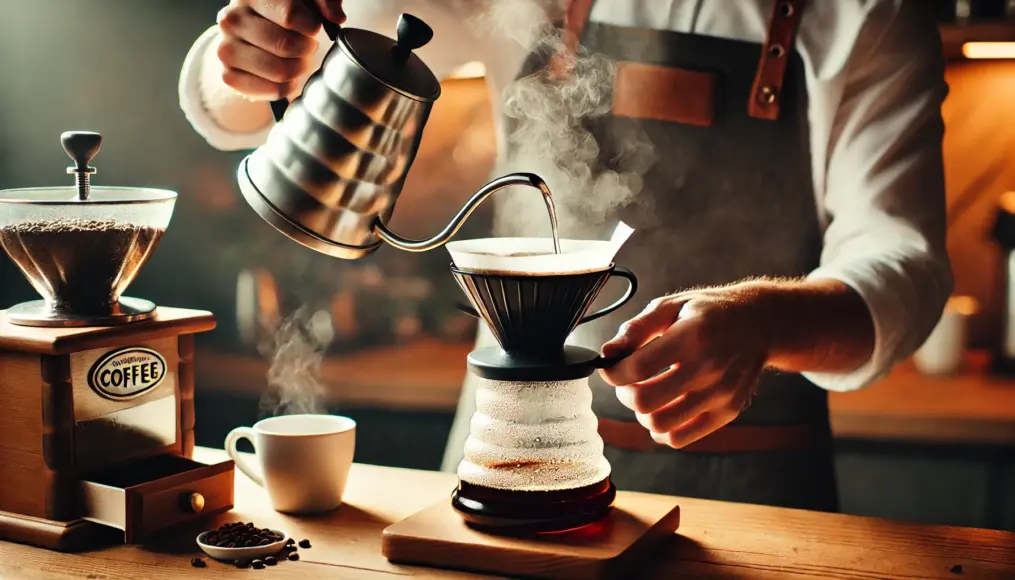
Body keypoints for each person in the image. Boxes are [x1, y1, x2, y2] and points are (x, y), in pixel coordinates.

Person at [179, 0, 952, 512]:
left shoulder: (865, 11)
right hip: (499, 457)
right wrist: (251, 54)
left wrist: (766, 318)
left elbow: (904, 261)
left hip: (749, 487)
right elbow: (282, 76)